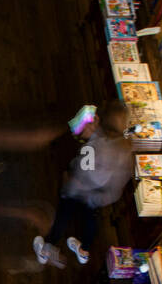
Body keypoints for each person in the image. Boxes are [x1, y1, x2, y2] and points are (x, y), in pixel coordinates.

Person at [34, 100, 134, 267]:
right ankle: (83, 252)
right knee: (90, 221)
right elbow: (116, 186)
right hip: (98, 196)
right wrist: (97, 199)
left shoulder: (95, 146)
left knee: (63, 217)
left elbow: (82, 170)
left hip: (79, 190)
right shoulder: (125, 149)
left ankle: (45, 249)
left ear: (101, 122)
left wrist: (68, 184)